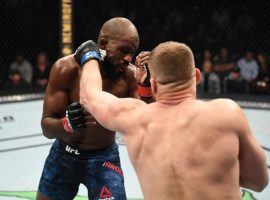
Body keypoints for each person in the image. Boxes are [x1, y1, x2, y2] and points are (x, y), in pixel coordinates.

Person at [79, 41, 269, 200]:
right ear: (196, 76)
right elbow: (259, 181)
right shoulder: (226, 113)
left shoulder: (134, 118)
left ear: (153, 85)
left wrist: (90, 55)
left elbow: (89, 96)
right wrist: (218, 172)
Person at [37, 17, 151, 200]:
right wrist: (66, 124)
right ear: (104, 43)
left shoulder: (130, 77)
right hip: (64, 154)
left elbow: (146, 123)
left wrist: (146, 89)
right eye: (124, 50)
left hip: (104, 157)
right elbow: (46, 128)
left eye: (132, 53)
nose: (129, 58)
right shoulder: (66, 69)